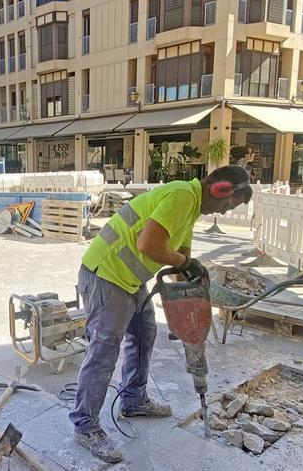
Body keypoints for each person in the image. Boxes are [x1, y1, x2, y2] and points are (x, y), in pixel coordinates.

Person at [70, 165, 252, 463]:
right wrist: (184, 261)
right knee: (104, 349)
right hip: (106, 275)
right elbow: (149, 245)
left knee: (144, 332)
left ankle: (133, 399)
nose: (226, 211)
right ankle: (85, 425)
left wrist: (195, 289)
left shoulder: (190, 207)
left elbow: (182, 260)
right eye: (230, 203)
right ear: (219, 190)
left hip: (129, 278)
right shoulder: (182, 195)